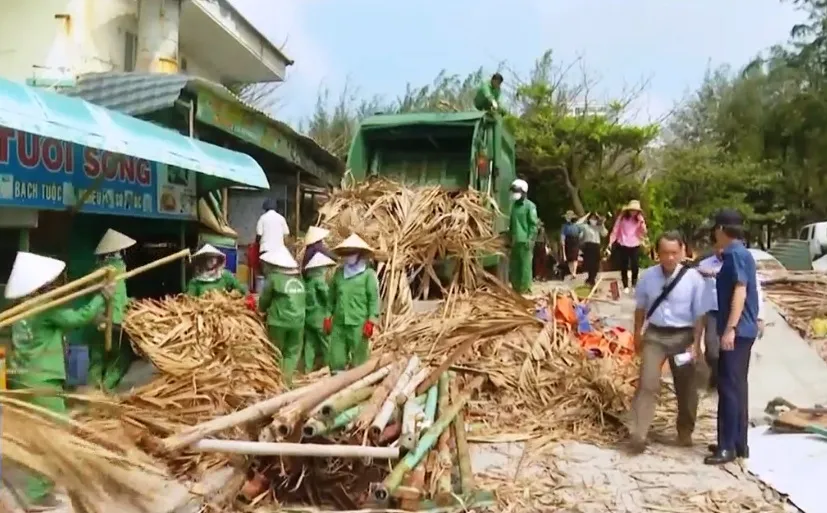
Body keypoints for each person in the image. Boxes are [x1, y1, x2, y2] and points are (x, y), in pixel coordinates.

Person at [4, 251, 114, 508]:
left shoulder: (20, 309)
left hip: (22, 378)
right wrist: (102, 297)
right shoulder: (45, 309)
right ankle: (37, 492)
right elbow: (78, 319)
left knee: (38, 434)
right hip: (43, 380)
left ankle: (41, 488)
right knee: (56, 433)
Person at [627, 231, 706, 454]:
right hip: (655, 336)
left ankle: (685, 431)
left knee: (687, 388)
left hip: (683, 337)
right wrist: (637, 334)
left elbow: (700, 315)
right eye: (665, 253)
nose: (670, 258)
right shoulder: (648, 277)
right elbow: (640, 308)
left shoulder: (694, 279)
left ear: (682, 252)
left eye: (674, 253)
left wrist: (696, 344)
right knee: (647, 383)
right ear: (657, 254)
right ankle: (639, 434)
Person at [705, 209, 760, 465]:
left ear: (720, 230)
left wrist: (730, 329)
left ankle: (727, 447)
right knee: (738, 387)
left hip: (737, 332)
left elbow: (740, 290)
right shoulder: (738, 254)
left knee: (728, 388)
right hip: (745, 331)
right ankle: (739, 443)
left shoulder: (736, 256)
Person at [697, 240, 766, 390]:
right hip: (713, 312)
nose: (721, 251)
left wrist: (760, 316)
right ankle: (717, 375)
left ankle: (724, 380)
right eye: (718, 247)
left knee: (730, 351)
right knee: (712, 348)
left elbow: (755, 291)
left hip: (735, 312)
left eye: (724, 247)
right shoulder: (704, 265)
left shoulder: (740, 261)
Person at [88, 229, 136, 391]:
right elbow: (117, 298)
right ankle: (106, 391)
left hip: (96, 319)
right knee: (121, 357)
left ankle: (92, 393)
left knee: (97, 359)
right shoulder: (116, 269)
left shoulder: (97, 270)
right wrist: (120, 318)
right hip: (113, 321)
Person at [328, 234, 380, 372]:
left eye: (351, 253)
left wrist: (371, 320)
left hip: (359, 324)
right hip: (339, 323)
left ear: (359, 254)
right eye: (346, 253)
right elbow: (331, 297)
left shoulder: (368, 275)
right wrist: (327, 316)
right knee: (336, 358)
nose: (348, 256)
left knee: (359, 361)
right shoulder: (339, 273)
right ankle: (336, 387)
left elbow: (373, 300)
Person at [257, 246, 306, 386]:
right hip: (298, 322)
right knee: (292, 353)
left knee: (276, 352)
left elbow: (264, 300)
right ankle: (286, 382)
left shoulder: (274, 278)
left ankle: (275, 383)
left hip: (278, 321)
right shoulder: (299, 279)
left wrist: (260, 311)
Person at [304, 252, 336, 371]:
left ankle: (307, 369)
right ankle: (328, 367)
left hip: (308, 318)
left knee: (310, 344)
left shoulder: (307, 283)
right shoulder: (319, 281)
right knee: (326, 343)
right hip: (320, 318)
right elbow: (328, 297)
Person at [609, 200, 648, 294]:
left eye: (635, 211)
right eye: (632, 210)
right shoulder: (622, 218)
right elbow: (615, 229)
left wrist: (642, 222)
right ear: (628, 210)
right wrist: (611, 241)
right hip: (623, 243)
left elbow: (644, 232)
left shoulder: (639, 219)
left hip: (635, 243)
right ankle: (625, 285)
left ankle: (634, 284)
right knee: (624, 265)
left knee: (635, 265)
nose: (633, 212)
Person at [508, 179, 539, 294]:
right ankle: (516, 288)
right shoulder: (514, 206)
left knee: (525, 266)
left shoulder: (530, 206)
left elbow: (533, 225)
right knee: (515, 266)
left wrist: (530, 239)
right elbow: (512, 224)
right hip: (515, 240)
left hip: (525, 240)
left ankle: (525, 288)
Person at [578, 212, 608, 287]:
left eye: (595, 218)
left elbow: (605, 234)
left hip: (596, 246)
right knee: (589, 264)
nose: (593, 220)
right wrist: (586, 216)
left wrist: (601, 224)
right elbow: (577, 225)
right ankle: (590, 279)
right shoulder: (585, 226)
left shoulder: (598, 227)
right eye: (592, 218)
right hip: (588, 246)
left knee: (596, 264)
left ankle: (591, 279)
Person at [561, 210, 583, 280]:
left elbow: (581, 233)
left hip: (575, 241)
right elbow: (562, 234)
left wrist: (580, 239)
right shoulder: (564, 226)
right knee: (569, 258)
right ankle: (572, 273)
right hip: (568, 241)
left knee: (575, 257)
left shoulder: (577, 225)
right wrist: (562, 241)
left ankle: (574, 272)